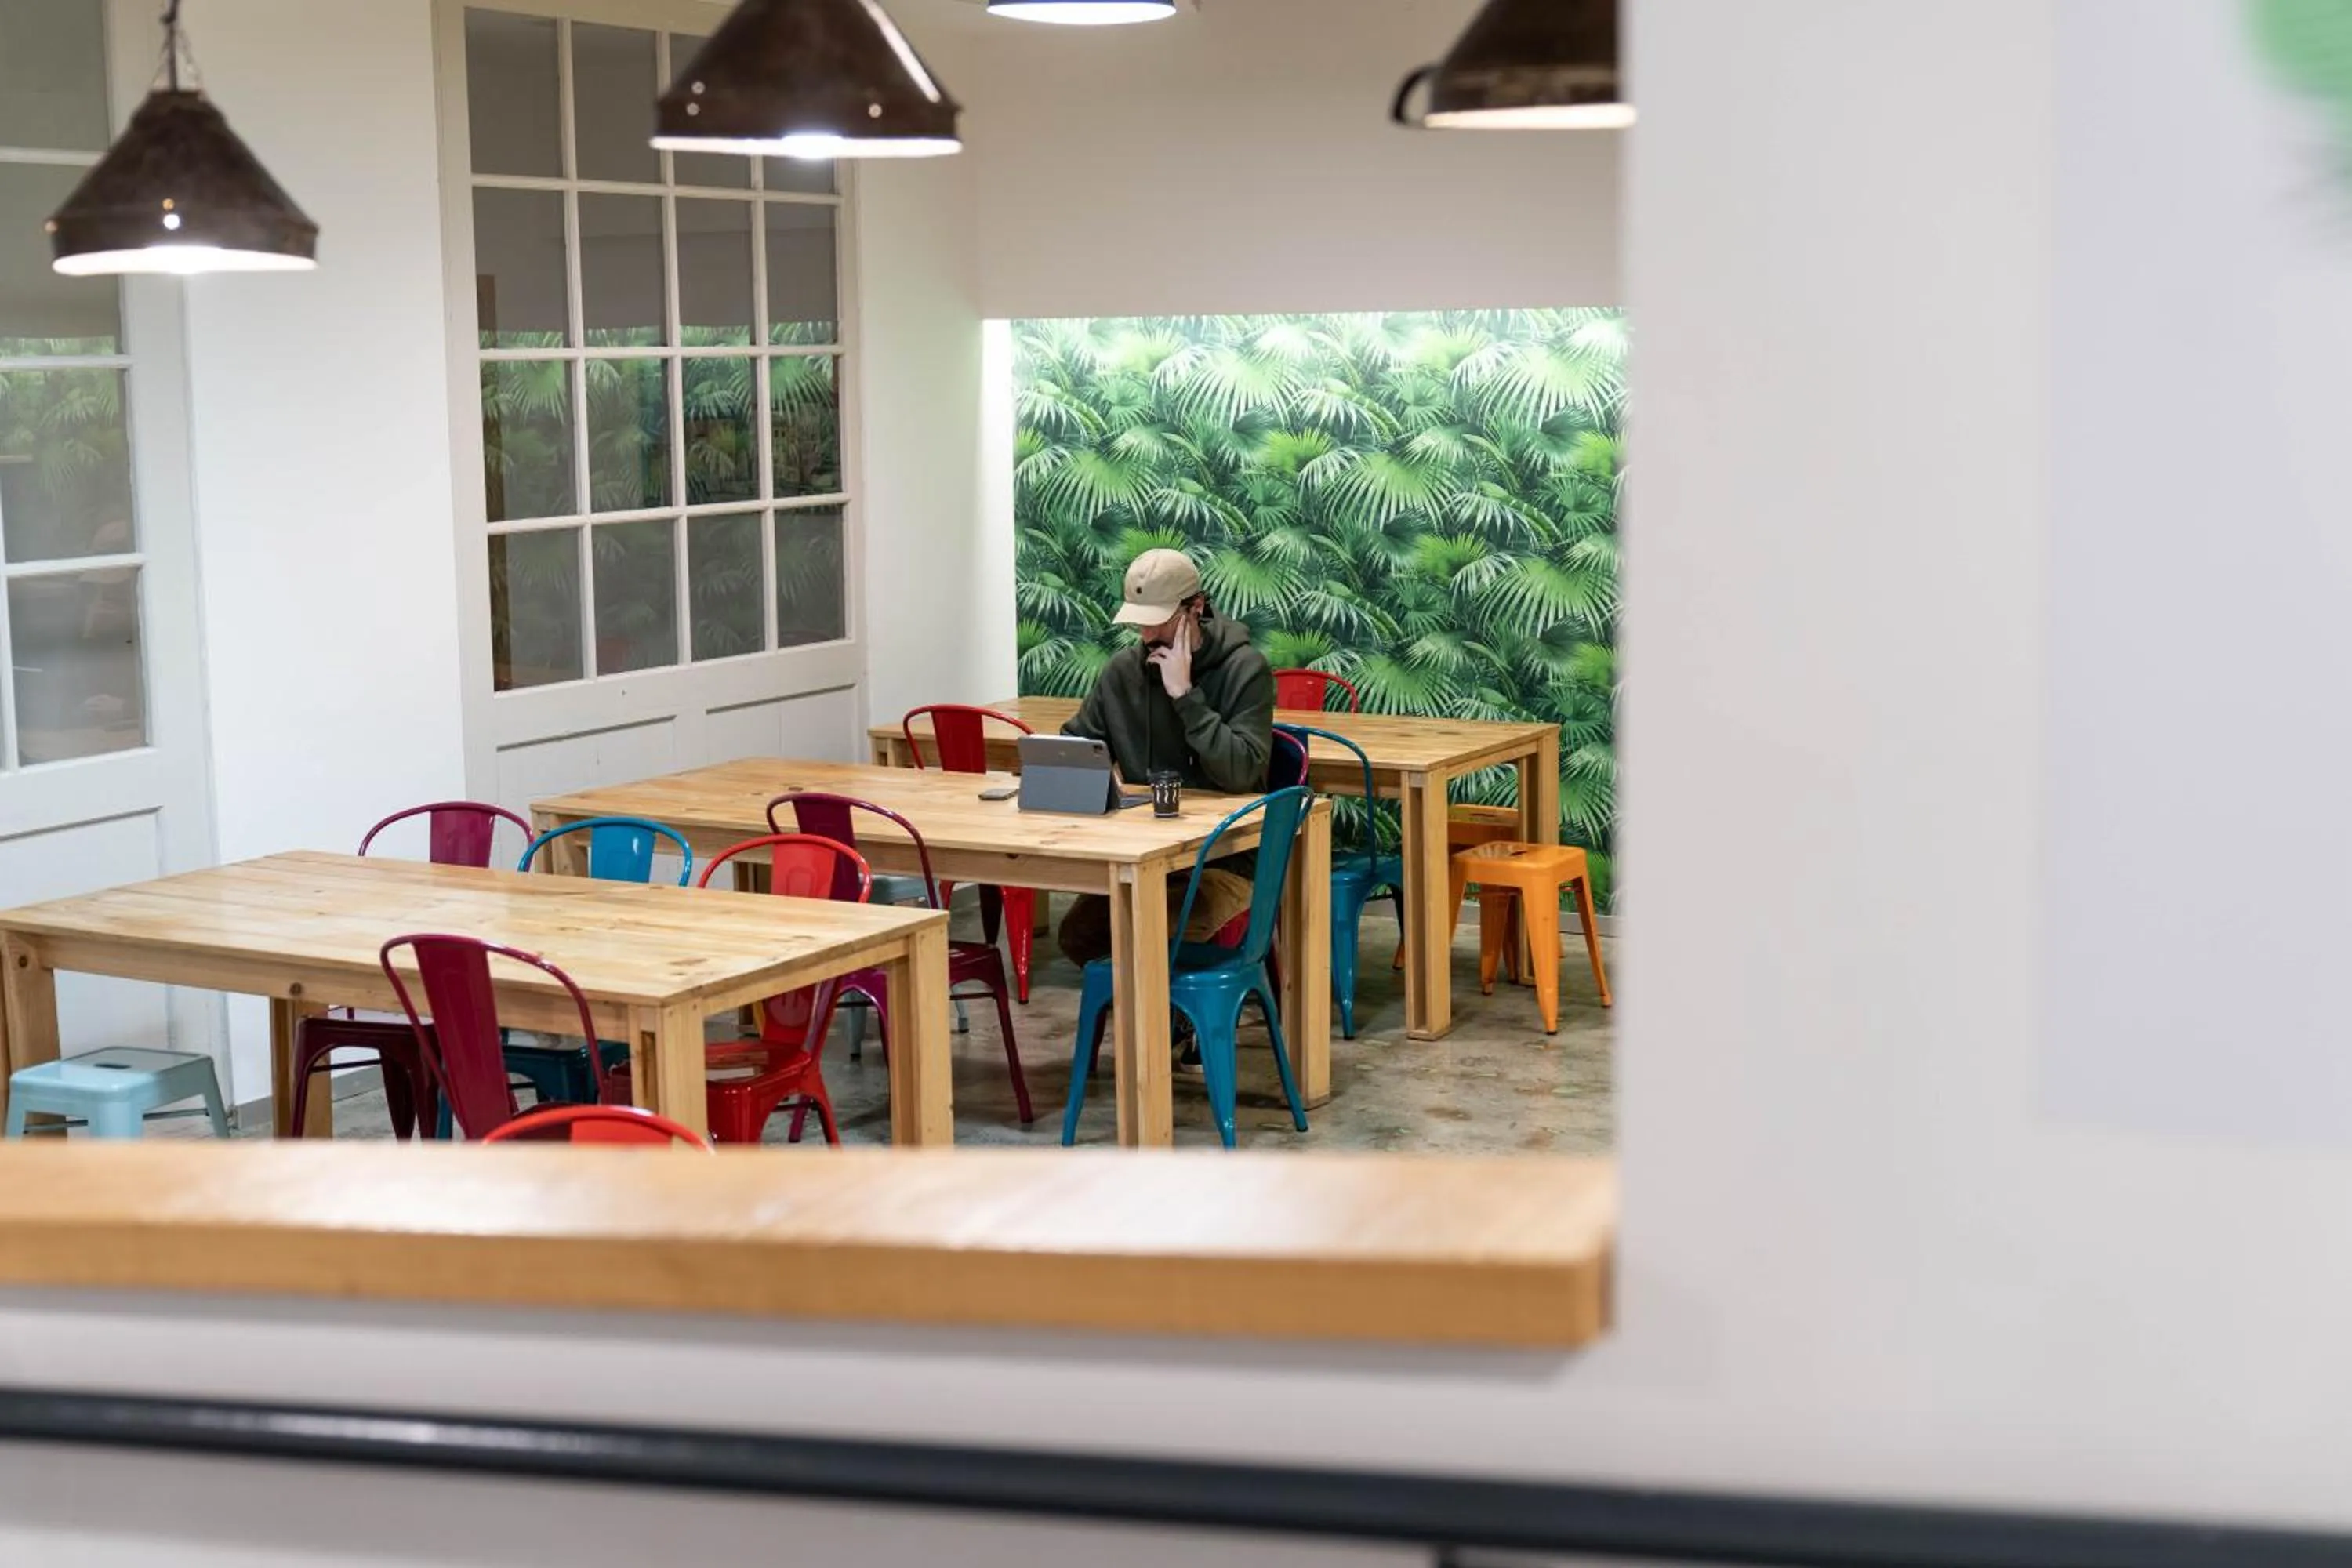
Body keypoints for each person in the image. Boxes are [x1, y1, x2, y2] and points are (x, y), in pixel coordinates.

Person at [1057, 548, 1276, 967]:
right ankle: (1142, 1002)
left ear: (1197, 607)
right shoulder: (1123, 672)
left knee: (1154, 932)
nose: (1149, 634)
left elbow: (1241, 773)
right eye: (1141, 622)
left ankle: (1170, 1007)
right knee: (1079, 936)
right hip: (1147, 855)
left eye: (1161, 620)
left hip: (1226, 861)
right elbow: (1078, 746)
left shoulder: (1245, 669)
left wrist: (1186, 697)